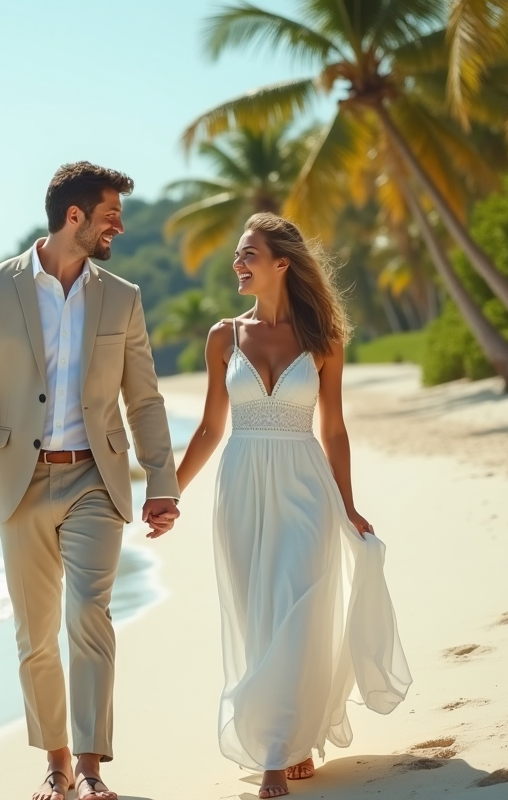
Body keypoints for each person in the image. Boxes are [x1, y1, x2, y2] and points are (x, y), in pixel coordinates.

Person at [0, 162, 180, 800]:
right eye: (111, 215)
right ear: (73, 217)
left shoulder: (122, 297)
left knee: (89, 615)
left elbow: (145, 398)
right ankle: (55, 765)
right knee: (35, 634)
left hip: (95, 482)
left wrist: (163, 480)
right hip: (18, 483)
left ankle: (91, 769)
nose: (120, 227)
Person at [174, 213, 411, 798]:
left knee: (301, 606)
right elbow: (209, 428)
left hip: (306, 483)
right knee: (260, 611)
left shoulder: (324, 339)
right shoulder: (223, 336)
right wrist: (168, 491)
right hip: (242, 483)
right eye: (237, 254)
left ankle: (277, 752)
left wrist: (348, 505)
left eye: (248, 253)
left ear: (282, 262)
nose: (238, 264)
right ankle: (289, 734)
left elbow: (334, 430)